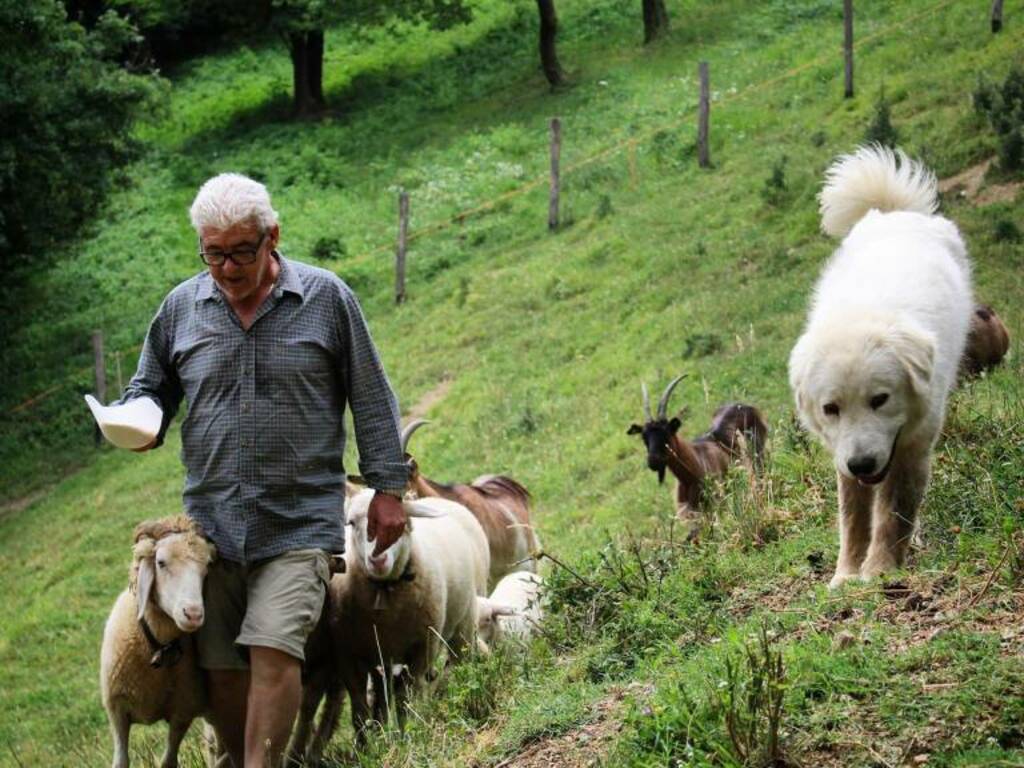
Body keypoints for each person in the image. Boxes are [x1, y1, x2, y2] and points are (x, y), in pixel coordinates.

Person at [118, 173, 409, 767]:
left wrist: (388, 488)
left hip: (299, 523)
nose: (227, 268)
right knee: (224, 668)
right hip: (213, 529)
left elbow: (371, 394)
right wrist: (137, 421)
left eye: (241, 252)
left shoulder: (327, 300)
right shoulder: (180, 308)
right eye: (214, 253)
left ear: (272, 237)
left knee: (276, 652)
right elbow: (149, 387)